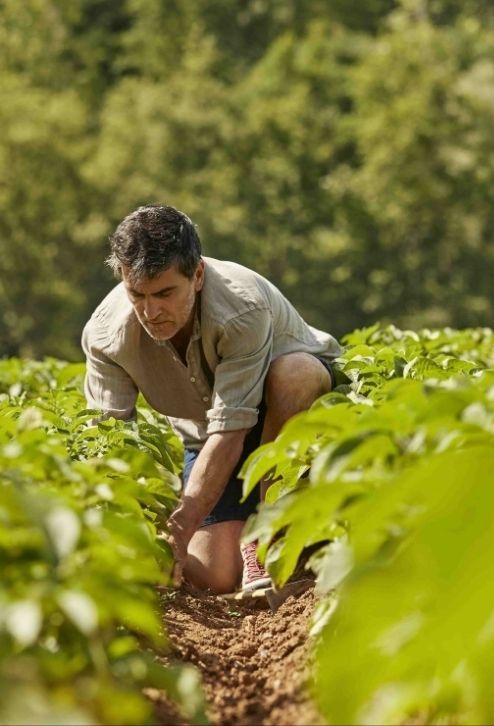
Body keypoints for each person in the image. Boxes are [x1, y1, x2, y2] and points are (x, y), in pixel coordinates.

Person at [81, 204, 341, 594]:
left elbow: (233, 429)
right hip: (207, 434)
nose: (151, 312)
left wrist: (180, 525)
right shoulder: (106, 335)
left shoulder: (241, 308)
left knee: (294, 375)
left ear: (197, 275)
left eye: (166, 293)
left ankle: (270, 532)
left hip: (289, 416)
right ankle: (251, 540)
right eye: (138, 294)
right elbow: (109, 440)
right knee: (214, 575)